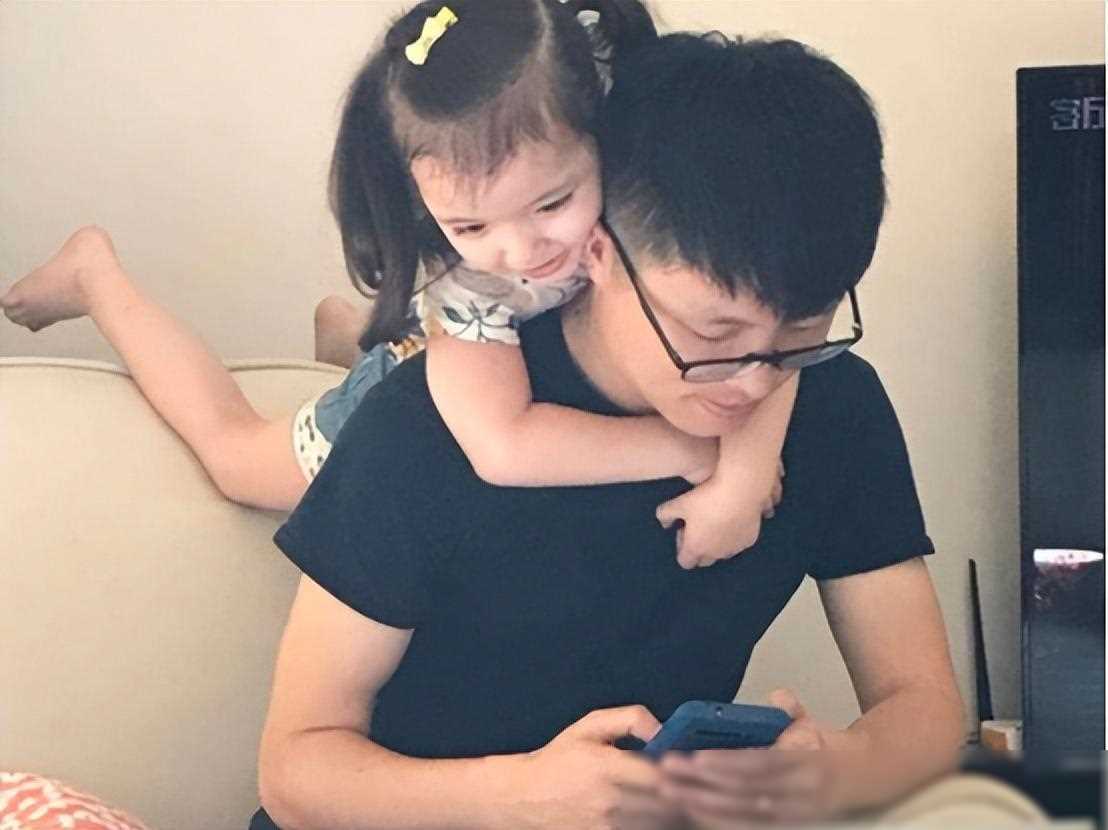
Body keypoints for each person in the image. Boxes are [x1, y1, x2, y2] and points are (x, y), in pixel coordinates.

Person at [252, 23, 964, 830]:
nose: (755, 381)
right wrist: (518, 798)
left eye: (802, 332)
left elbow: (924, 704)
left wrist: (843, 766)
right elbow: (294, 771)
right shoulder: (423, 433)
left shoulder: (831, 403)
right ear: (597, 248)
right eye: (712, 334)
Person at [0, 0, 794, 569]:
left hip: (465, 354)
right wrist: (698, 448)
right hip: (435, 371)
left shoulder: (647, 173)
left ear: (603, 136)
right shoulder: (470, 286)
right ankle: (97, 276)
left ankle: (344, 332)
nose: (520, 250)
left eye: (552, 204)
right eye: (470, 225)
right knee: (236, 459)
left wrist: (751, 464)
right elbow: (503, 444)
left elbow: (781, 308)